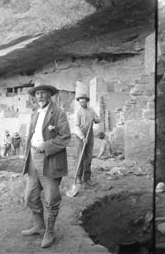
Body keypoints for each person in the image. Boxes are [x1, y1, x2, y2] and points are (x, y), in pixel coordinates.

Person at [21, 83, 71, 248]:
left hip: (49, 159)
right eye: (37, 93)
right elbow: (31, 135)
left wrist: (47, 145)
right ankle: (39, 226)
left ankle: (49, 232)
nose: (40, 96)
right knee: (30, 197)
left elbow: (65, 138)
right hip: (33, 158)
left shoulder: (58, 113)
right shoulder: (35, 113)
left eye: (43, 93)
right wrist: (27, 152)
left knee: (51, 199)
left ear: (49, 95)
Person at [74, 94, 100, 188]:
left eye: (84, 102)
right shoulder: (78, 112)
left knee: (89, 157)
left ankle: (87, 178)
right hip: (80, 134)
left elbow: (98, 120)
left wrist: (95, 118)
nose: (82, 103)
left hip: (90, 134)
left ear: (87, 102)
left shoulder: (91, 110)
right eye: (80, 102)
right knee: (81, 157)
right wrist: (82, 137)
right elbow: (76, 126)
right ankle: (78, 178)